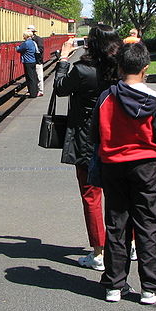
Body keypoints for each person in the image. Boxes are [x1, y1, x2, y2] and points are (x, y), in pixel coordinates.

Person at [92, 42, 156, 304]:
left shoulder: (106, 97)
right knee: (147, 222)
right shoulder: (154, 99)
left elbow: (94, 133)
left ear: (119, 68)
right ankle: (151, 286)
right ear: (145, 68)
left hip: (113, 166)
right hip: (146, 167)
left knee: (117, 223)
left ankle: (114, 284)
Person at [54, 25, 122, 271]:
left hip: (86, 139)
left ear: (90, 44)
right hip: (117, 138)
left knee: (91, 197)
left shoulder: (82, 70)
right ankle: (131, 244)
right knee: (122, 195)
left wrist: (63, 58)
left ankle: (99, 252)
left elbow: (60, 88)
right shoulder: (120, 68)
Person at [16, 31, 39, 98]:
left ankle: (32, 93)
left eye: (24, 36)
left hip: (27, 62)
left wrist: (17, 47)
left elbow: (19, 50)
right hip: (33, 61)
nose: (23, 37)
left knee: (29, 78)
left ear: (26, 36)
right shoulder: (33, 42)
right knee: (34, 77)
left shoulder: (26, 43)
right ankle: (35, 91)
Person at [27, 25, 45, 96]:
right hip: (32, 61)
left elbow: (41, 49)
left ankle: (40, 91)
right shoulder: (29, 40)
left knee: (39, 76)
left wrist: (33, 51)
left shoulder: (38, 39)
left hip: (37, 61)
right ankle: (33, 90)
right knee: (32, 76)